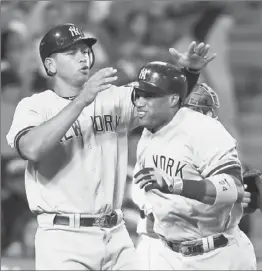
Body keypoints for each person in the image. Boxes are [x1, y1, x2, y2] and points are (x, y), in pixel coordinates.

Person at [6, 22, 215, 270]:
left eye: (84, 51)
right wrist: (82, 100)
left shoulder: (113, 97)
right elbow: (31, 149)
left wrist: (188, 74)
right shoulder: (35, 106)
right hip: (63, 237)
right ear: (50, 65)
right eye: (71, 53)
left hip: (115, 234)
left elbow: (164, 102)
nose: (82, 57)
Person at [132, 61, 257, 270]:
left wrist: (244, 202)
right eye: (193, 109)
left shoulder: (209, 135)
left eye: (204, 110)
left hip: (216, 252)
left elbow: (232, 189)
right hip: (163, 249)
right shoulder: (151, 134)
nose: (199, 114)